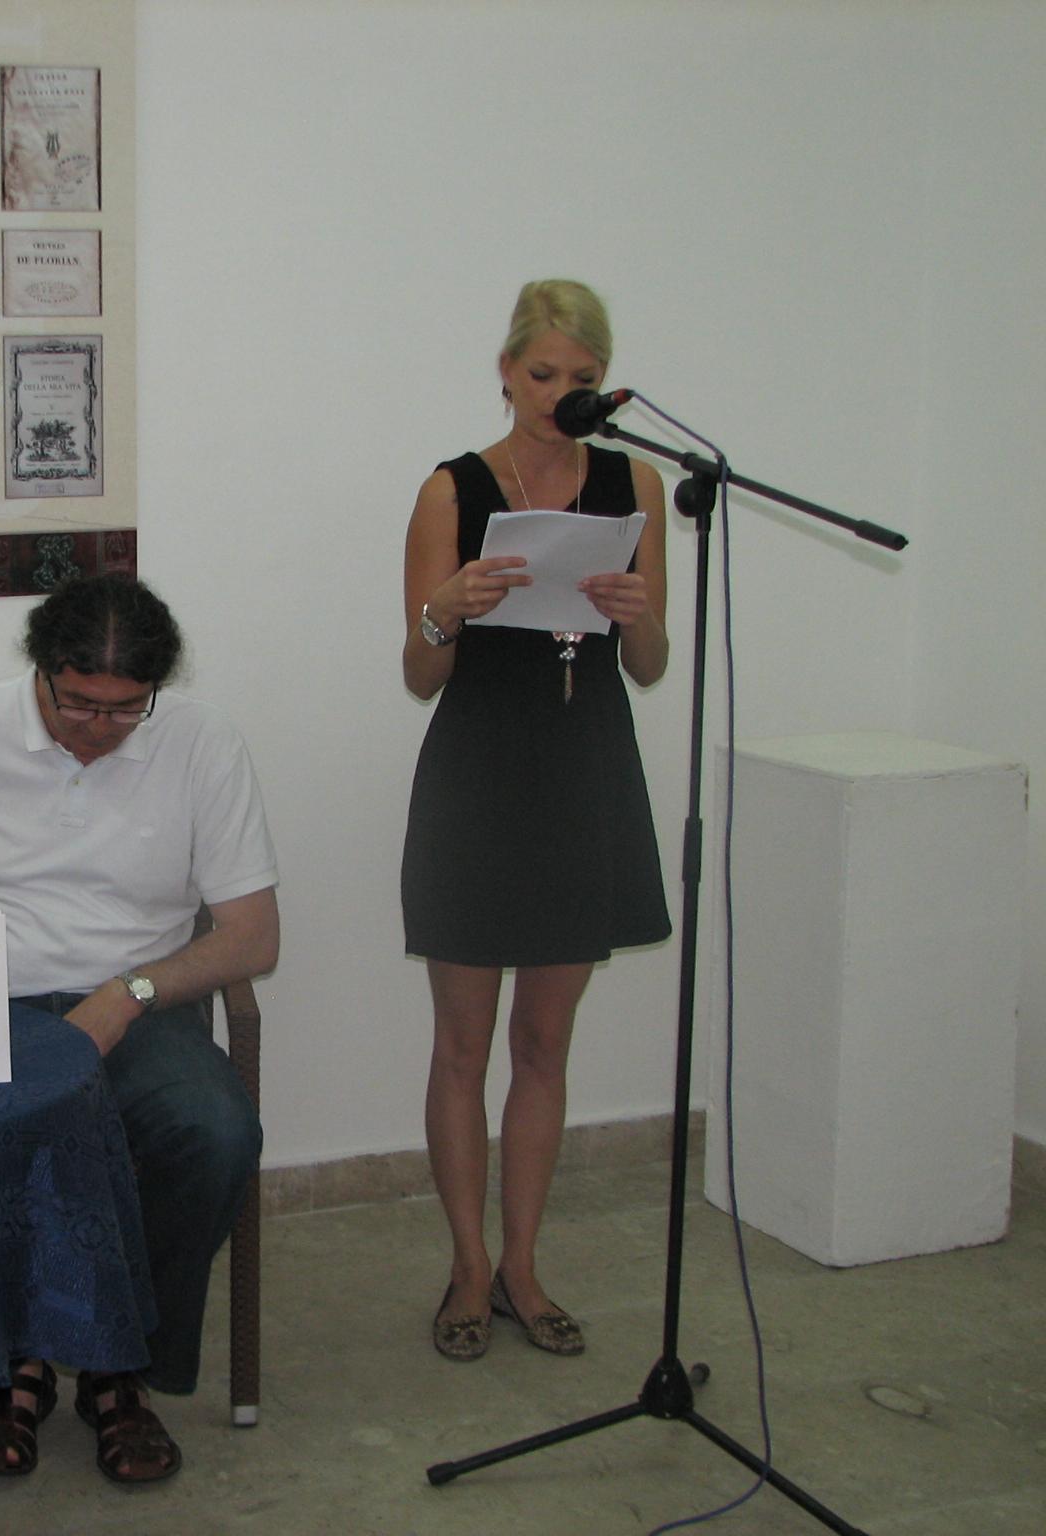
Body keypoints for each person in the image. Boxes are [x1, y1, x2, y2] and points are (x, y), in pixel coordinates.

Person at [0, 575, 280, 1486]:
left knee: (214, 1133)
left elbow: (253, 937)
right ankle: (10, 1360)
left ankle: (117, 1361)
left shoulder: (203, 743)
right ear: (42, 671)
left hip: (137, 1004)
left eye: (126, 710)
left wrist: (126, 994)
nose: (99, 728)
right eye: (80, 704)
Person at [399, 279, 672, 1362]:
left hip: (582, 772)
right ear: (506, 372)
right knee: (463, 1046)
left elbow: (649, 665)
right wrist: (446, 611)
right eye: (543, 373)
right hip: (477, 778)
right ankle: (467, 1267)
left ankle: (522, 1264)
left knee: (545, 1043)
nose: (561, 393)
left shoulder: (632, 483)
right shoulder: (452, 489)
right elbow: (420, 673)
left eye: (582, 378)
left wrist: (637, 617)